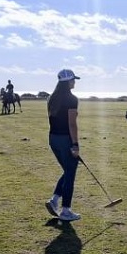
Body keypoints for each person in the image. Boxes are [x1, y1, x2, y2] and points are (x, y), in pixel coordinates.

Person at [45, 69, 83, 222]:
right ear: (68, 81)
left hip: (53, 138)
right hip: (65, 139)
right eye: (73, 80)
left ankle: (54, 200)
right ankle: (65, 210)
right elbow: (72, 124)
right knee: (70, 173)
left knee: (68, 170)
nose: (74, 82)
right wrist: (75, 144)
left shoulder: (51, 98)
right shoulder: (72, 99)